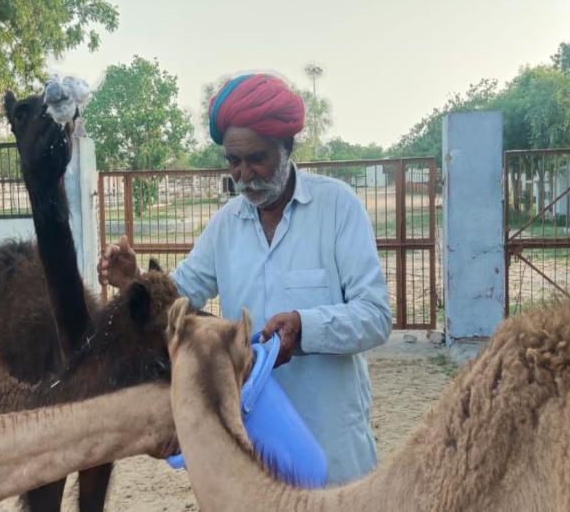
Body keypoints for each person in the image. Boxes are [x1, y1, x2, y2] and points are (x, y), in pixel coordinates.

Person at [98, 73, 392, 486]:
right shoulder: (225, 226)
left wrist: (304, 328)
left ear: (286, 146)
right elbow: (177, 298)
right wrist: (133, 280)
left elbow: (376, 316)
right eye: (233, 162)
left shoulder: (338, 208)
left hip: (332, 439)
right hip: (256, 436)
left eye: (256, 158)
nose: (244, 174)